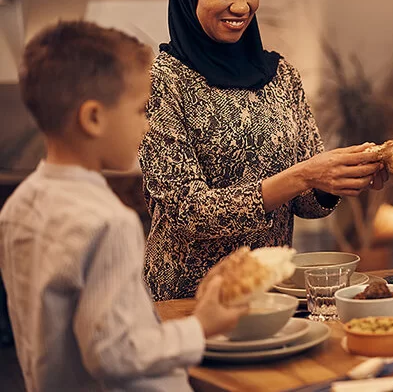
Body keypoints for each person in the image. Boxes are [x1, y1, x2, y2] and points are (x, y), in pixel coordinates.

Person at [140, 0, 386, 301]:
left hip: (271, 292)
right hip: (190, 301)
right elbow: (189, 212)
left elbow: (306, 202)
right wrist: (303, 176)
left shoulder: (281, 74)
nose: (241, 7)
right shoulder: (161, 82)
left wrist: (333, 181)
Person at [0, 21, 247, 391]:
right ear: (94, 118)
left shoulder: (18, 206)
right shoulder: (109, 222)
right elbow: (116, 354)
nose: (147, 126)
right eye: (141, 111)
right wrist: (202, 326)